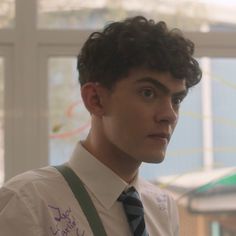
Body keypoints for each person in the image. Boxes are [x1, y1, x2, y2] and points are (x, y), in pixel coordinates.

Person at [0, 16, 201, 236]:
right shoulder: (29, 203)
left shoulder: (162, 207)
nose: (169, 115)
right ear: (95, 99)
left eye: (176, 100)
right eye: (148, 93)